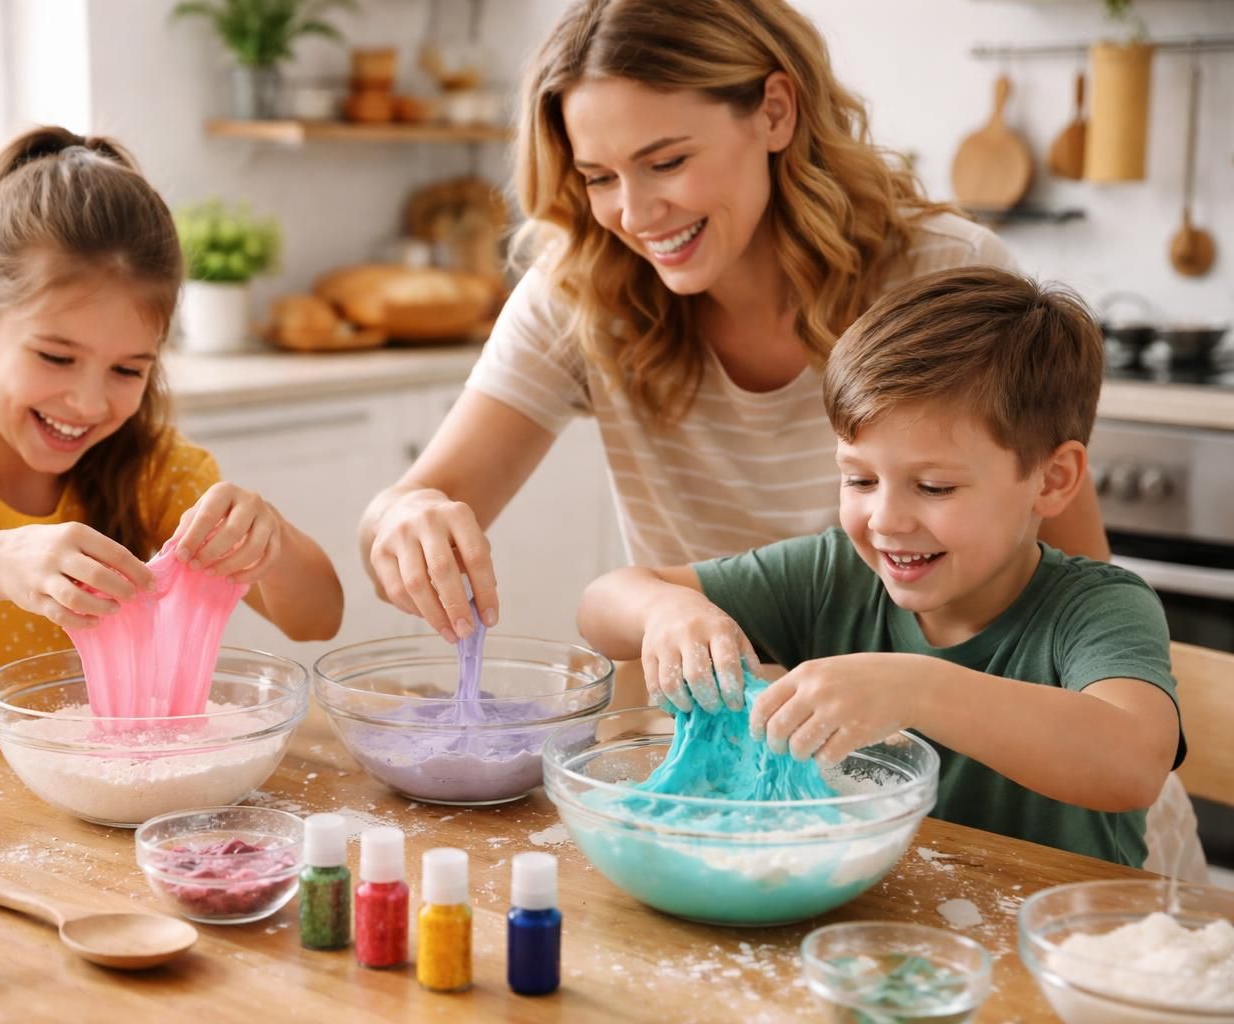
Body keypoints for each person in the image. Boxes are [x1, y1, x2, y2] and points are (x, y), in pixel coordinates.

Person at [359, 0, 1106, 650]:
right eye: (598, 178)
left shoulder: (944, 275)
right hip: (744, 772)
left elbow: (1084, 595)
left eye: (668, 160)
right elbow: (407, 507)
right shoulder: (582, 294)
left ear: (776, 111)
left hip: (962, 774)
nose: (635, 212)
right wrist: (408, 516)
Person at [576, 267, 1183, 867]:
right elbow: (603, 606)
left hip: (1056, 948)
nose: (886, 519)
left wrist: (916, 688)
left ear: (1051, 481)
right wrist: (668, 610)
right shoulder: (832, 574)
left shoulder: (1099, 607)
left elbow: (1132, 765)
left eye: (935, 486)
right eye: (859, 479)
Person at [0, 127, 343, 759]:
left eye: (128, 370)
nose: (90, 403)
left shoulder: (149, 468)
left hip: (59, 836)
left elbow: (316, 618)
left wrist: (272, 539)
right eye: (55, 356)